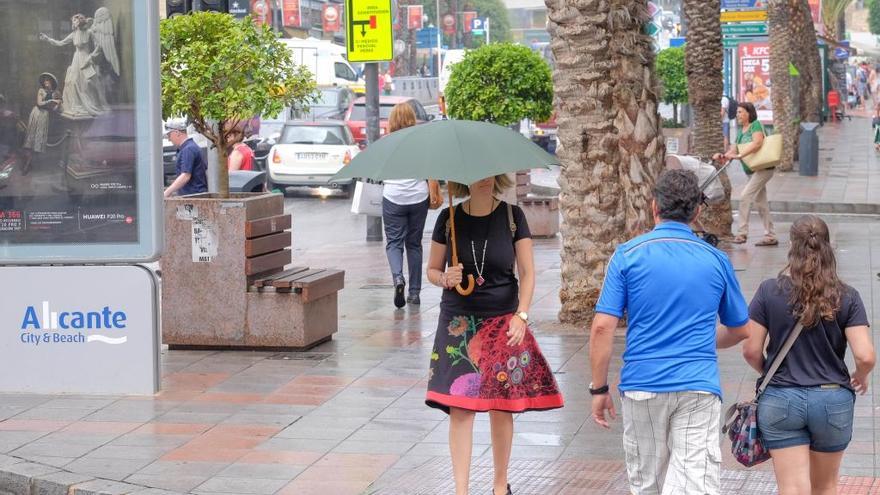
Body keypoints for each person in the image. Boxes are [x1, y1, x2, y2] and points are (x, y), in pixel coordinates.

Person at [590, 169, 749, 495]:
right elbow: (740, 328)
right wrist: (704, 341)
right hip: (698, 387)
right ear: (697, 211)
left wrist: (599, 388)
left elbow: (603, 327)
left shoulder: (627, 255)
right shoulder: (716, 259)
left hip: (642, 385)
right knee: (694, 485)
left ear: (654, 207)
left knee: (647, 484)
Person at [426, 175, 564, 495]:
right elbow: (432, 270)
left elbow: (528, 273)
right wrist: (445, 277)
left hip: (502, 320)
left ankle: (500, 486)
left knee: (501, 406)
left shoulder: (512, 217)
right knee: (460, 406)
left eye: (490, 172)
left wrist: (522, 315)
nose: (484, 179)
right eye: (475, 174)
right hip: (458, 322)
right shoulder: (448, 218)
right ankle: (461, 490)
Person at [743, 215, 875, 495]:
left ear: (791, 245)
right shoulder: (846, 295)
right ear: (828, 246)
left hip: (781, 399)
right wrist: (860, 376)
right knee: (825, 487)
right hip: (831, 400)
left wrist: (770, 371)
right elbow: (865, 355)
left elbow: (751, 349)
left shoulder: (770, 290)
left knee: (792, 488)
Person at [382, 103, 441, 308]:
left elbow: (379, 171)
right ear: (411, 118)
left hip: (393, 197)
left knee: (394, 243)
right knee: (414, 244)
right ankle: (414, 293)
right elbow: (430, 166)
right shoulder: (420, 141)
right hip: (418, 197)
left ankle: (398, 278)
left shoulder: (386, 142)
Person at [714, 101, 777, 246]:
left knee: (745, 196)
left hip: (763, 169)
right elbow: (734, 149)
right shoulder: (741, 131)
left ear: (749, 113)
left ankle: (742, 233)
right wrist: (724, 155)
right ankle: (771, 235)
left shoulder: (755, 125)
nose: (738, 115)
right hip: (751, 171)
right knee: (761, 203)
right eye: (737, 113)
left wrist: (740, 155)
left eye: (741, 112)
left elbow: (757, 143)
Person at [21, 73, 62, 175]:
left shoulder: (56, 93)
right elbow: (39, 103)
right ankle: (27, 164)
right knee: (30, 139)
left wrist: (59, 103)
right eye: (44, 80)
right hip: (36, 113)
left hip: (44, 117)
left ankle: (30, 163)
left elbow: (55, 109)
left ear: (52, 82)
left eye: (47, 80)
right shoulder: (41, 91)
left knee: (37, 141)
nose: (45, 82)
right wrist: (52, 100)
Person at [164, 121, 208, 198]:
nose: (169, 139)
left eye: (169, 135)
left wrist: (167, 192)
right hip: (194, 196)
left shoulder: (188, 149)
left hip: (194, 197)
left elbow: (185, 175)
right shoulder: (189, 147)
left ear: (177, 132)